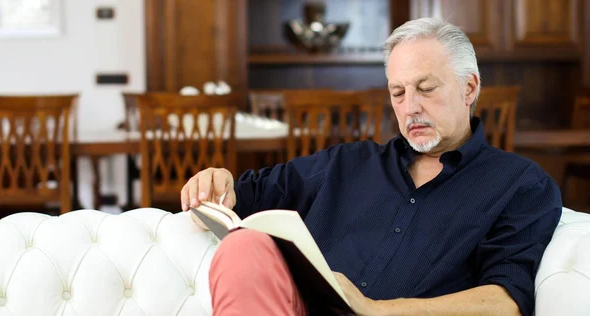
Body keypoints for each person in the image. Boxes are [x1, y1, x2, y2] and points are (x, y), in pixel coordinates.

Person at [180, 18, 561, 316]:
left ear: (470, 88)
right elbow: (241, 197)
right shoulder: (345, 164)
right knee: (244, 244)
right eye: (398, 92)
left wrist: (375, 310)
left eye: (426, 88)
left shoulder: (520, 184)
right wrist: (218, 182)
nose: (410, 106)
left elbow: (505, 302)